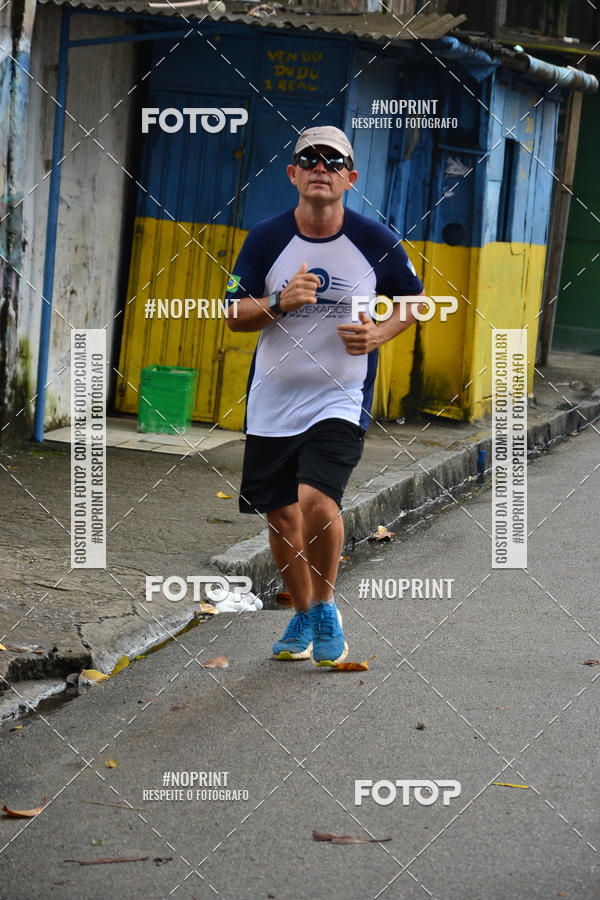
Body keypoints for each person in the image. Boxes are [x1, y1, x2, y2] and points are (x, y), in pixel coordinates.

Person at [225, 125, 424, 666]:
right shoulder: (267, 237)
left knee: (316, 500)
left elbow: (414, 300)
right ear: (292, 173)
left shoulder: (374, 240)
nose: (320, 167)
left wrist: (383, 332)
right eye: (308, 159)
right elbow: (232, 315)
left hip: (341, 395)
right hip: (273, 398)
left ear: (350, 178)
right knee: (282, 516)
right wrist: (280, 302)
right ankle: (302, 612)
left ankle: (327, 606)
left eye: (332, 161)